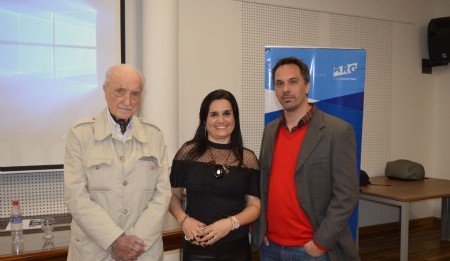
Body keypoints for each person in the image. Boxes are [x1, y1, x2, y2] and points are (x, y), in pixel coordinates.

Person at [252, 57, 360, 261]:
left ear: (307, 85)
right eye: (279, 83)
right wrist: (261, 230)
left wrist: (319, 243)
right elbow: (264, 184)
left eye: (293, 82)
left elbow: (347, 195)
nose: (286, 89)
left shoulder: (337, 131)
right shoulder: (270, 130)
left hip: (310, 250)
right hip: (270, 247)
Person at [64, 64, 171, 261]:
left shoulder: (154, 135)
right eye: (119, 91)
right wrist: (115, 239)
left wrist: (134, 244)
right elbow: (76, 196)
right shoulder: (80, 134)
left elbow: (162, 194)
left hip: (143, 251)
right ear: (105, 91)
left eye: (135, 94)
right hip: (94, 251)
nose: (127, 101)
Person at [169, 89, 261, 261]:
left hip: (236, 249)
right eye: (214, 114)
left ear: (235, 118)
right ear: (204, 119)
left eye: (227, 113)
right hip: (197, 248)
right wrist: (183, 220)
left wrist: (230, 223)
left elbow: (255, 206)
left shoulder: (247, 159)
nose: (221, 120)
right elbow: (172, 196)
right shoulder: (187, 154)